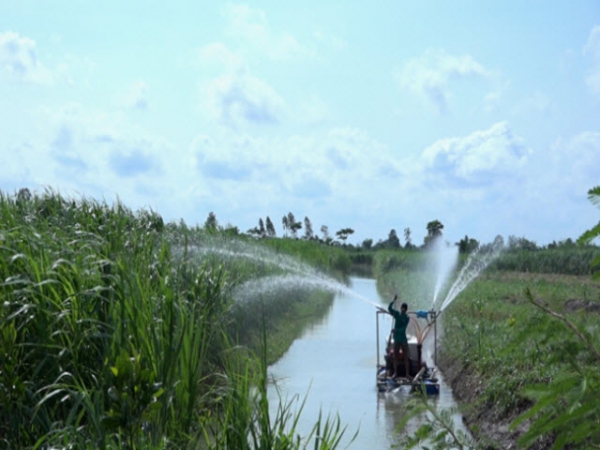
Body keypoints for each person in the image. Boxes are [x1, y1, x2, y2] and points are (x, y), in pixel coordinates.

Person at [388, 294, 411, 379]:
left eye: (404, 310)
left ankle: (407, 374)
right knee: (395, 357)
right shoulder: (397, 314)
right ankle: (395, 373)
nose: (403, 311)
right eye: (402, 309)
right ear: (400, 308)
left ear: (406, 310)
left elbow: (403, 328)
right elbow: (389, 309)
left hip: (403, 339)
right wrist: (393, 301)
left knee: (406, 357)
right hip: (396, 339)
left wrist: (396, 330)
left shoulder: (407, 318)